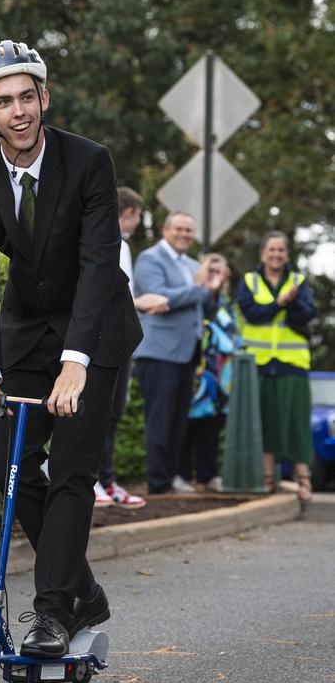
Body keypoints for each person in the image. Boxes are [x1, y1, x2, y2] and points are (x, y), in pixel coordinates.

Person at [0, 40, 142, 658]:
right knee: (8, 466)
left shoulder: (90, 162)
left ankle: (53, 612)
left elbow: (98, 263)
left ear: (44, 98)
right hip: (27, 329)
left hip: (97, 330)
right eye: (2, 101)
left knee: (71, 470)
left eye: (27, 97)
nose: (18, 111)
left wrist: (77, 362)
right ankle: (83, 587)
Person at [132, 211, 222, 496]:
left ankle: (172, 477)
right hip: (159, 352)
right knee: (160, 419)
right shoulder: (150, 259)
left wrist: (213, 292)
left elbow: (203, 308)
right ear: (165, 230)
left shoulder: (194, 265)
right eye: (179, 229)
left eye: (189, 230)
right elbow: (159, 298)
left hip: (187, 353)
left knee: (178, 420)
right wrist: (199, 288)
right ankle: (159, 482)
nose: (184, 234)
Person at [94, 187, 168, 509]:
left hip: (120, 341)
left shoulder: (122, 245)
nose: (137, 224)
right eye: (137, 216)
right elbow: (104, 291)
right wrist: (142, 303)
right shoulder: (107, 241)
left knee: (113, 414)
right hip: (99, 341)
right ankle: (90, 480)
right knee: (96, 413)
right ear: (129, 213)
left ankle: (107, 481)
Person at [237, 231, 316, 503]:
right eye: (271, 250)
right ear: (263, 254)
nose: (276, 255)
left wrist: (292, 302)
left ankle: (303, 479)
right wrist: (279, 303)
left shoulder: (299, 282)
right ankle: (268, 479)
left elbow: (306, 315)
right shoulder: (249, 281)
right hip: (258, 365)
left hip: (291, 365)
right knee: (266, 422)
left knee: (295, 422)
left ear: (287, 254)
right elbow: (252, 315)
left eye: (281, 250)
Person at [176, 253, 239, 493]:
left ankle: (208, 475)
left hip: (221, 376)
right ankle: (181, 474)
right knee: (188, 425)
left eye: (220, 271)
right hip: (197, 371)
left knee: (212, 426)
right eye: (210, 270)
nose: (216, 276)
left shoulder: (226, 302)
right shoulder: (197, 297)